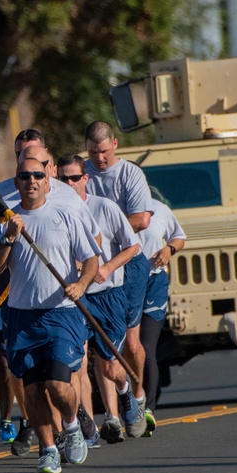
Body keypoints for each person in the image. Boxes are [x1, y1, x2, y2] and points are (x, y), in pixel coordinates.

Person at [0, 157, 99, 473]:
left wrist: (81, 284)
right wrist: (9, 238)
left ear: (47, 181)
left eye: (37, 175)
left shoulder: (65, 213)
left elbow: (91, 259)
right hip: (22, 317)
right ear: (17, 182)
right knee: (32, 390)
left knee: (58, 385)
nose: (31, 180)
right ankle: (48, 449)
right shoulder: (5, 222)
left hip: (61, 313)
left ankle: (72, 424)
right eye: (24, 175)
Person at [57, 154, 142, 445]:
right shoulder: (54, 210)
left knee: (109, 367)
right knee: (78, 364)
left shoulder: (104, 207)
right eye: (63, 178)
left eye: (74, 178)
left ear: (85, 179)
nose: (69, 183)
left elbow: (133, 246)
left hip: (108, 296)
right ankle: (89, 430)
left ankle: (124, 390)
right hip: (74, 299)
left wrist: (106, 267)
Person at [84, 120, 153, 438]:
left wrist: (106, 222)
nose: (99, 158)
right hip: (92, 265)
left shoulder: (130, 174)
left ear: (115, 145)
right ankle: (112, 415)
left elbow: (141, 219)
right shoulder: (80, 175)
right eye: (93, 152)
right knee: (102, 344)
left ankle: (137, 396)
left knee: (131, 341)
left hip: (129, 261)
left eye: (103, 151)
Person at [137, 198, 186, 431]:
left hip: (154, 283)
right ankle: (129, 402)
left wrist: (169, 248)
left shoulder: (160, 209)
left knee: (146, 348)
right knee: (126, 349)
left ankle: (148, 409)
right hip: (123, 285)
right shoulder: (114, 208)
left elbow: (179, 236)